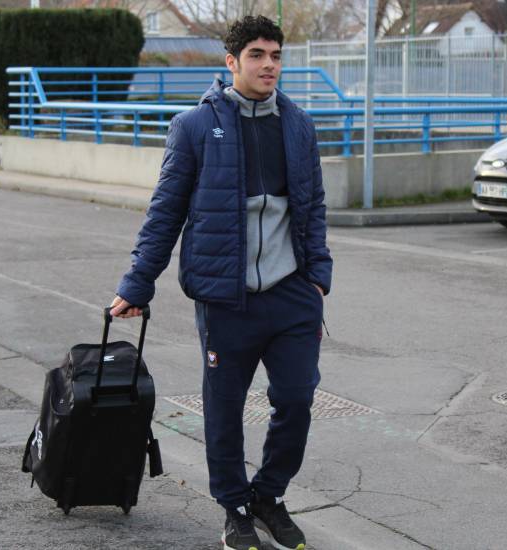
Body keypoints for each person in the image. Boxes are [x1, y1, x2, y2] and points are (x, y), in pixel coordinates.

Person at [110, 14, 331, 550]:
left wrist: (319, 279)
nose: (269, 66)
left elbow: (314, 208)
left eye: (276, 56)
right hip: (226, 298)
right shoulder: (194, 127)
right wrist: (137, 284)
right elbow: (165, 212)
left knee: (297, 399)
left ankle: (267, 496)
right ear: (231, 62)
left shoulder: (298, 126)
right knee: (225, 408)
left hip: (292, 295)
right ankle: (233, 506)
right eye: (257, 55)